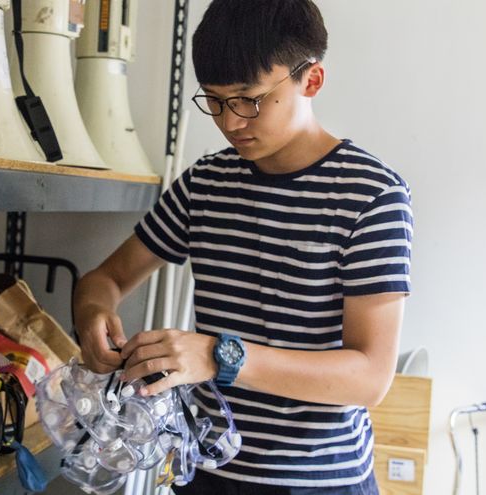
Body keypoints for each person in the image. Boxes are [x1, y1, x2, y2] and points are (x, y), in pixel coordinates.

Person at [72, 0, 412, 493]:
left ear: (311, 80)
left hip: (317, 480)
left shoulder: (371, 196)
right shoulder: (206, 184)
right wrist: (92, 317)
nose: (230, 122)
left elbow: (369, 377)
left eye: (248, 99)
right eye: (213, 100)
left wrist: (220, 356)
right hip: (205, 469)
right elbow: (106, 279)